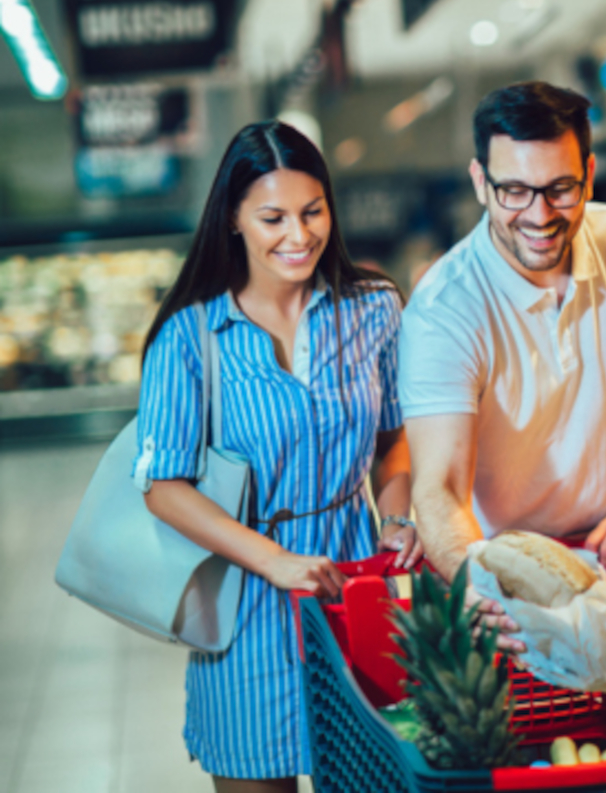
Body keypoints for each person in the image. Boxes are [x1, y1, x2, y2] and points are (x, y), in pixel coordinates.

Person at [134, 121, 422, 792]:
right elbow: (162, 487)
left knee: (372, 774)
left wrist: (400, 515)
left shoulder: (374, 309)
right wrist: (277, 562)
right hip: (244, 599)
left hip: (354, 589)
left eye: (313, 211)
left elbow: (392, 438)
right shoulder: (190, 335)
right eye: (273, 217)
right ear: (233, 219)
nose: (299, 236)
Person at [398, 81, 606, 649]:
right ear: (479, 183)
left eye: (560, 189)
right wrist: (481, 587)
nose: (539, 215)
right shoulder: (445, 307)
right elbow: (438, 486)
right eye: (513, 190)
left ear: (589, 175)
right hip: (499, 587)